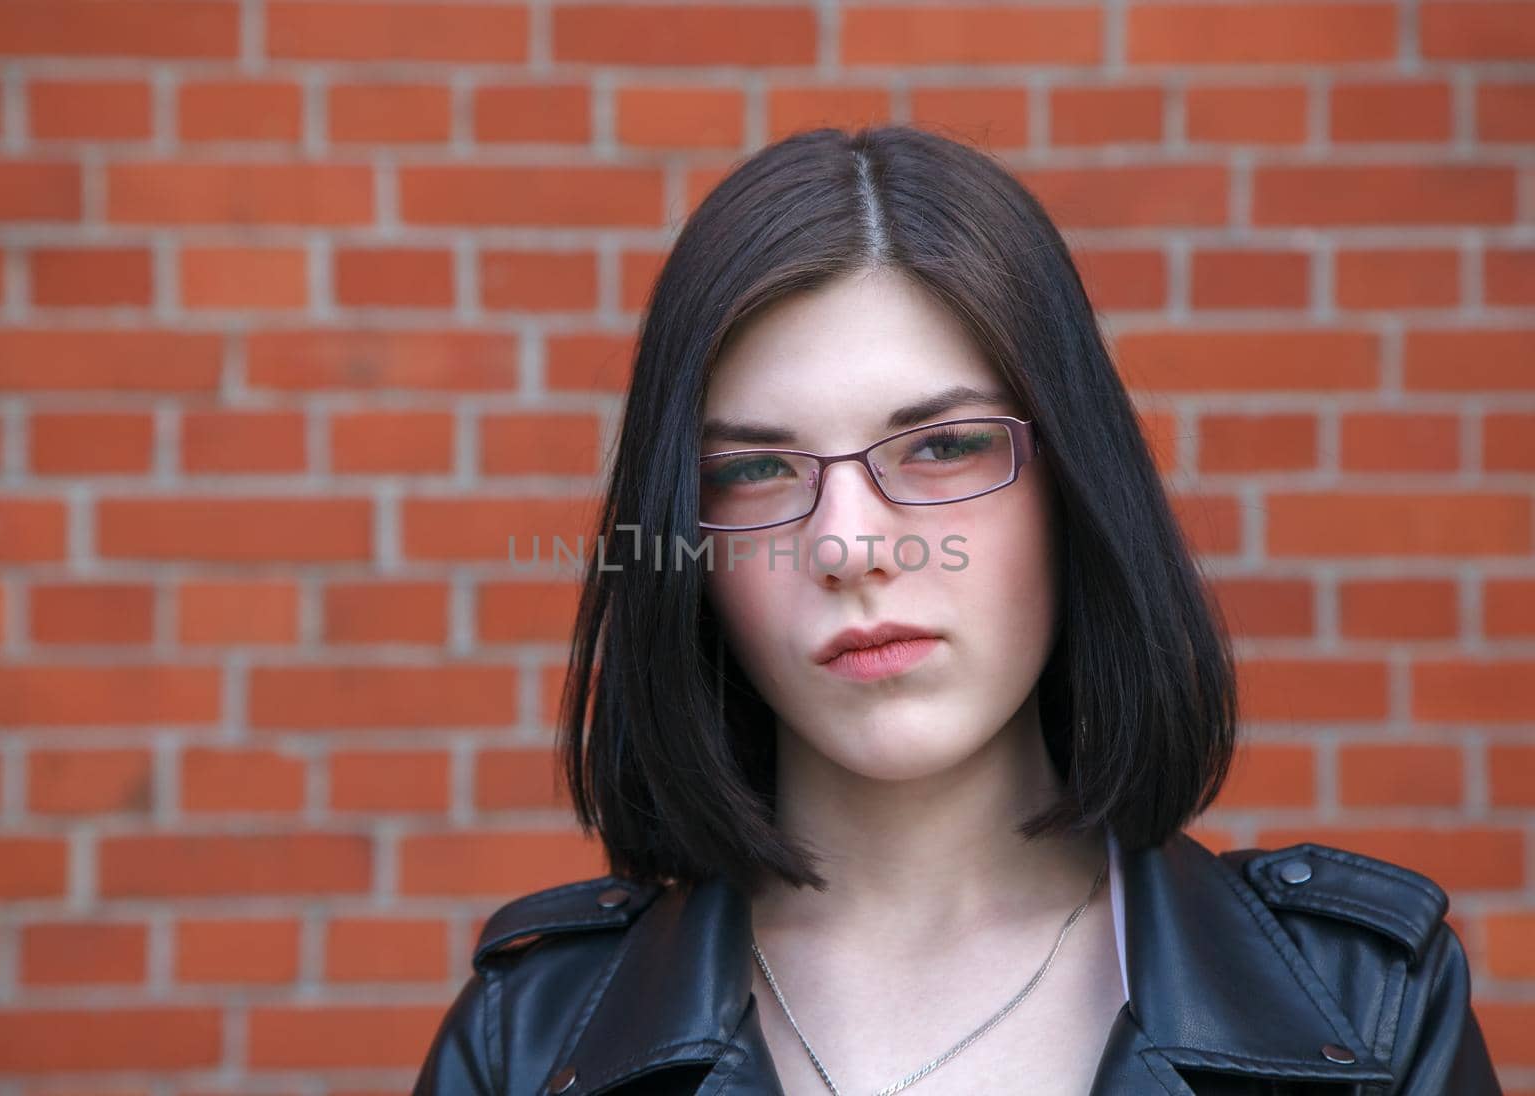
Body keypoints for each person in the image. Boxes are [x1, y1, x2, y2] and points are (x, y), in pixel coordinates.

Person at [413, 125, 1503, 1095]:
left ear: (1075, 486)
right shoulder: (532, 1042)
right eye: (750, 470)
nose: (846, 544)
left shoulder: (1368, 1015)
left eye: (942, 446)